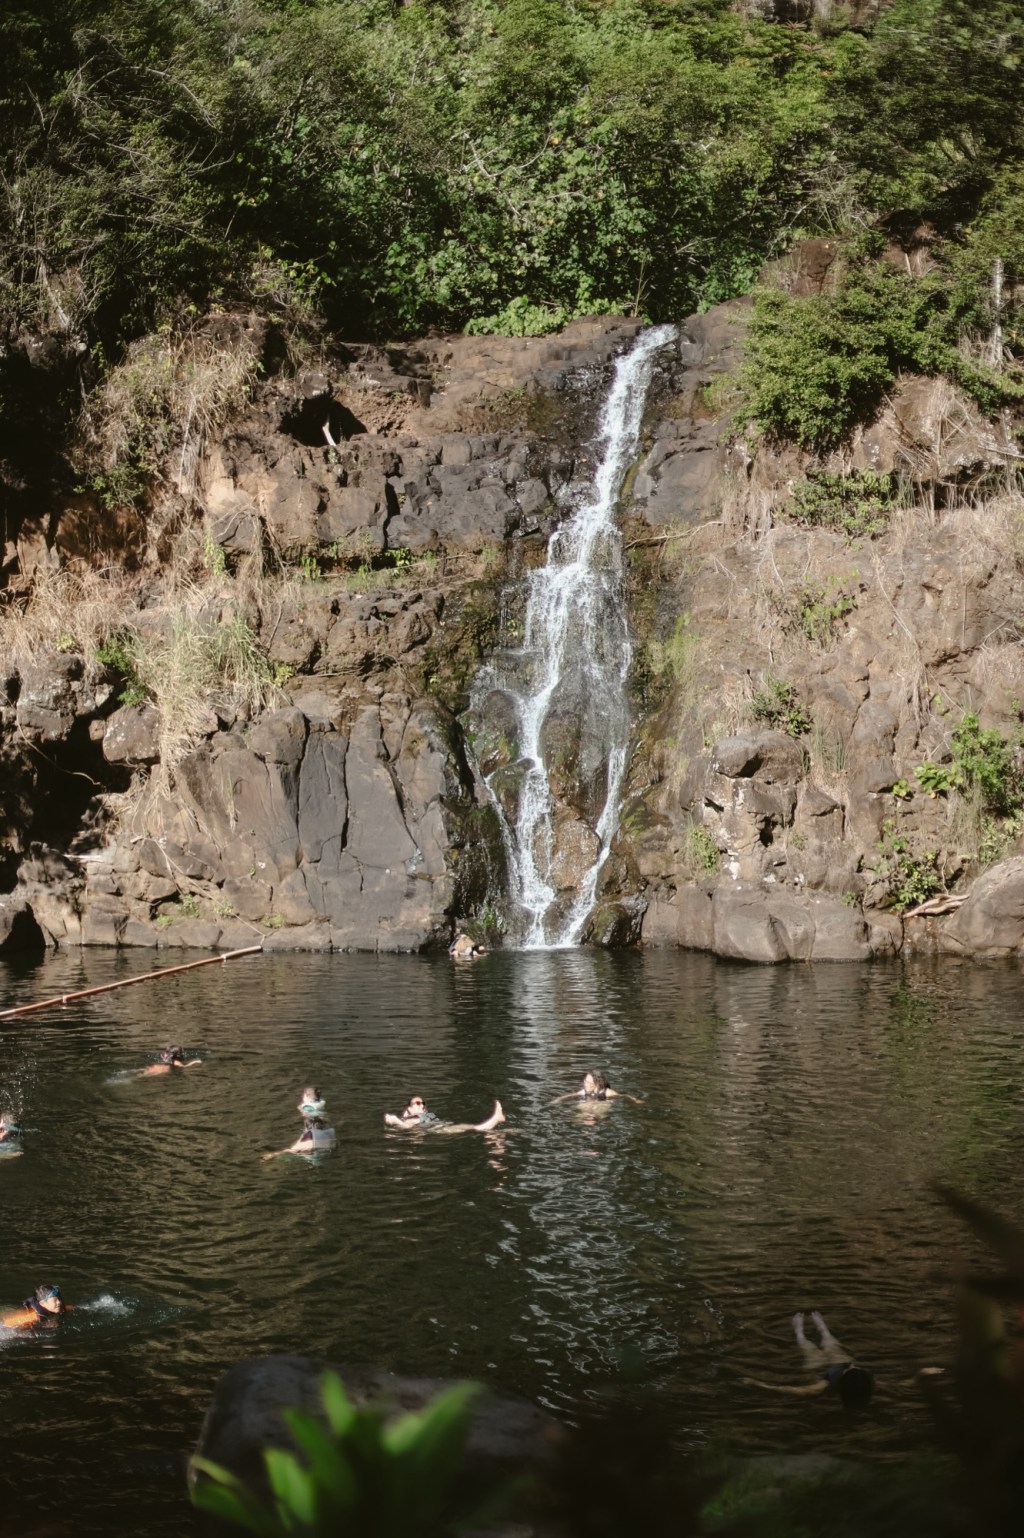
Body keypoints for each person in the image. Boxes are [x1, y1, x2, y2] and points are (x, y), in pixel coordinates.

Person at [748, 1312, 875, 1406]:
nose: (852, 1366)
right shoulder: (866, 1381)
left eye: (851, 1369)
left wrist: (759, 1384)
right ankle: (824, 1331)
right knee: (833, 1346)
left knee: (808, 1347)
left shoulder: (824, 1385)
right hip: (838, 1361)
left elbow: (798, 1391)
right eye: (854, 1366)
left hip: (820, 1367)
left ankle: (799, 1332)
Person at [384, 1095, 505, 1133]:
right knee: (474, 1129)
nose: (422, 1105)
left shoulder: (425, 1115)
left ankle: (497, 1121)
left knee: (469, 1127)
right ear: (409, 1109)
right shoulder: (409, 1118)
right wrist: (395, 1120)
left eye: (423, 1103)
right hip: (439, 1130)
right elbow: (407, 1127)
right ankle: (496, 1119)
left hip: (440, 1125)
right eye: (417, 1103)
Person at [262, 1115, 336, 1161]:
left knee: (287, 1151)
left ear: (306, 1127)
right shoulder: (330, 1131)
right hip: (326, 1155)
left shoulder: (308, 1134)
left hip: (311, 1156)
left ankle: (272, 1156)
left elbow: (294, 1148)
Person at [549, 1072, 643, 1106]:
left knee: (598, 1110)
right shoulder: (584, 1091)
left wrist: (635, 1100)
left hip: (602, 1103)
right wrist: (558, 1099)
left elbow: (624, 1095)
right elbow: (572, 1095)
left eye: (590, 1083)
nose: (586, 1085)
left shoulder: (607, 1092)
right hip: (589, 1102)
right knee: (580, 1114)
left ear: (597, 1083)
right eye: (585, 1082)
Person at [1, 1284, 68, 1329]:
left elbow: (72, 1307)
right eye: (55, 1300)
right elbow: (5, 1324)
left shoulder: (59, 1307)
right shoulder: (34, 1316)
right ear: (42, 1303)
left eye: (59, 1299)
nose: (59, 1302)